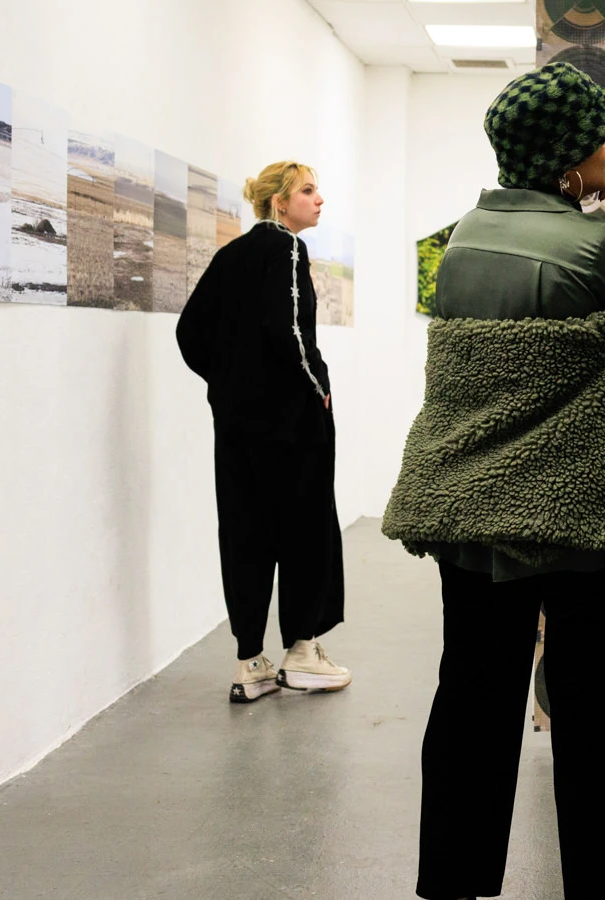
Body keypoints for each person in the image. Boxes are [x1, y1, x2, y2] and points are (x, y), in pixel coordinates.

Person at [382, 62, 605, 900]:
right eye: (601, 134)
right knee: (594, 712)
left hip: (474, 516)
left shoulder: (455, 239)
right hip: (581, 522)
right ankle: (599, 887)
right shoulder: (594, 247)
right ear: (567, 159)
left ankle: (453, 882)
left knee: (471, 697)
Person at [174, 161, 351, 704]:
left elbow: (189, 332)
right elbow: (291, 330)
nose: (319, 200)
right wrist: (316, 386)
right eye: (307, 191)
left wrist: (228, 386)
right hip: (292, 426)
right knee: (306, 531)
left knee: (245, 534)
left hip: (236, 428)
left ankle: (249, 661)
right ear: (279, 203)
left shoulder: (230, 255)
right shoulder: (287, 249)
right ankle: (302, 652)